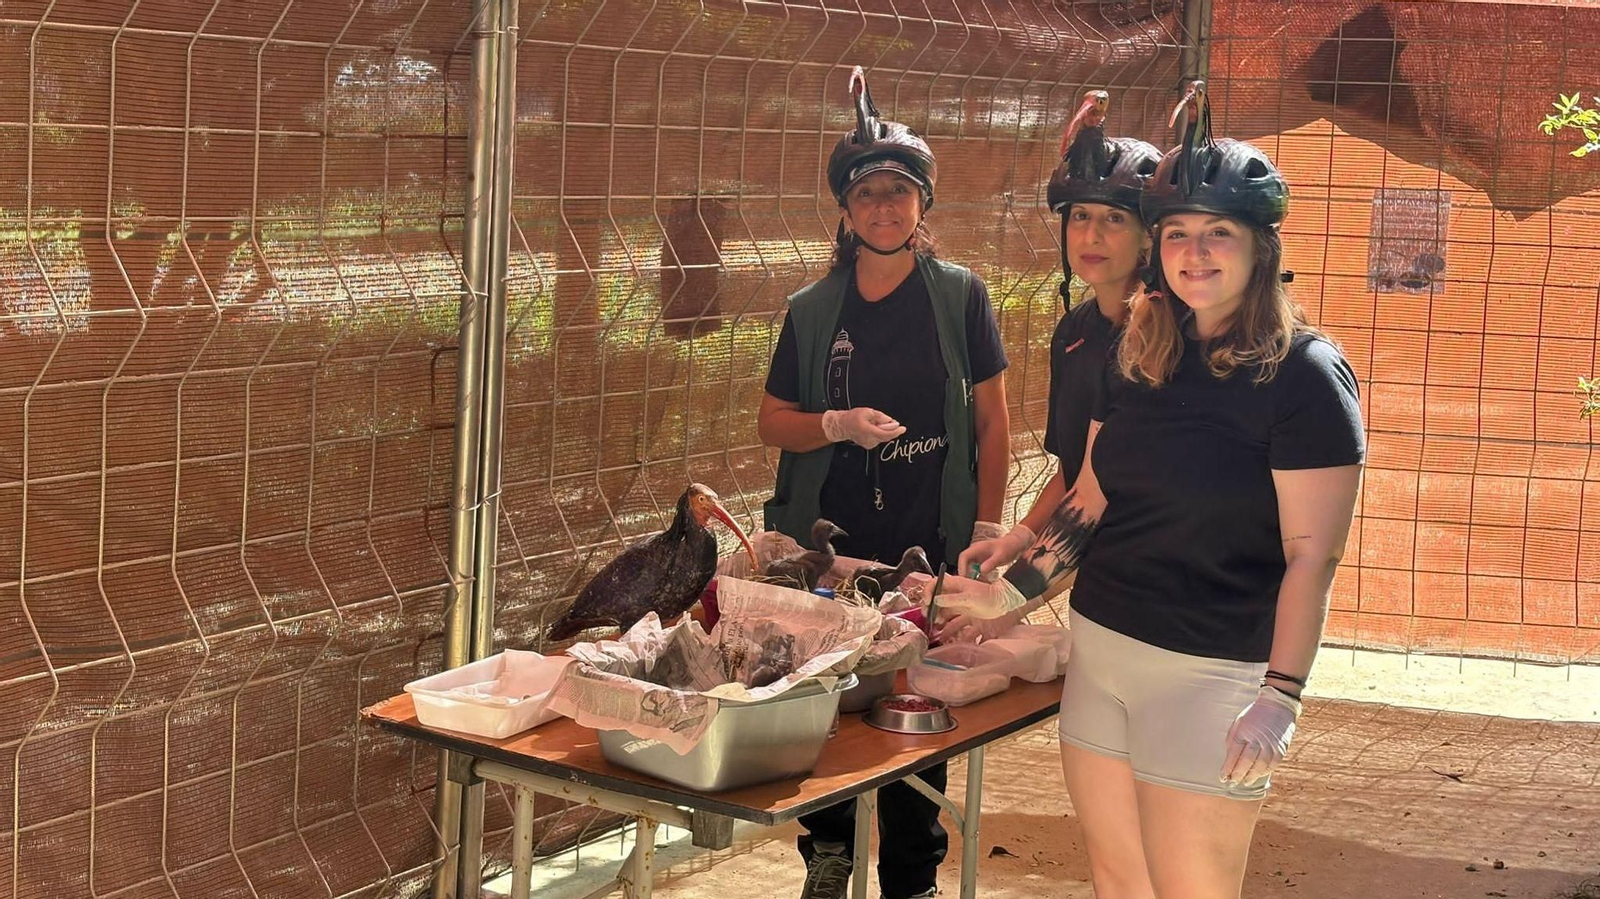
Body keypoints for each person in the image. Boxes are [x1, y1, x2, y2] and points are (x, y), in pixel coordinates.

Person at [938, 82, 1365, 898]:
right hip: (1104, 651)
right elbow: (1090, 502)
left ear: (1260, 247)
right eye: (1175, 233)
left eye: (1217, 234)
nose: (1193, 253)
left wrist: (1281, 696)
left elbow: (1312, 556)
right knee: (1116, 881)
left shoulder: (1305, 374)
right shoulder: (1139, 345)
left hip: (1213, 673)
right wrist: (1011, 595)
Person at [757, 67, 1011, 899]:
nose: (883, 208)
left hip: (928, 539)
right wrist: (835, 424)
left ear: (922, 205)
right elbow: (773, 422)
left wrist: (984, 534)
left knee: (915, 706)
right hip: (827, 547)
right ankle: (827, 854)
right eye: (867, 193)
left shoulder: (960, 297)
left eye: (899, 193)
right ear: (845, 209)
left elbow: (993, 422)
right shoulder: (811, 308)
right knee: (820, 701)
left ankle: (912, 875)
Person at [940, 90, 1162, 643]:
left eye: (1114, 218)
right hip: (1099, 590)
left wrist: (1013, 595)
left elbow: (1099, 496)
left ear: (1149, 238)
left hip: (1164, 593)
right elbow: (1074, 470)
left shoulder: (1163, 340)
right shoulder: (1076, 332)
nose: (1091, 235)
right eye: (1080, 215)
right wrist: (1017, 537)